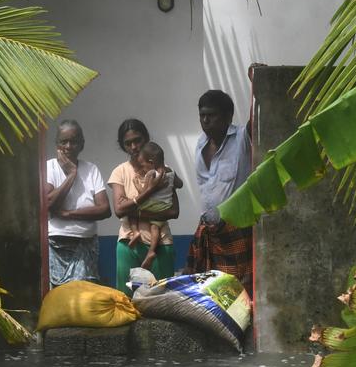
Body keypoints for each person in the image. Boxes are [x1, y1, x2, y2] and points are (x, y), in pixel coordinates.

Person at [185, 89, 254, 292]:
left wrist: (256, 85)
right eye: (202, 115)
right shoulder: (200, 143)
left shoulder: (243, 138)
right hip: (208, 230)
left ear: (227, 116)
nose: (205, 120)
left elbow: (257, 118)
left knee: (236, 291)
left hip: (235, 229)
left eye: (211, 115)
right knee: (208, 291)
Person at [108, 118, 181, 294]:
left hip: (161, 244)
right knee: (126, 299)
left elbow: (174, 211)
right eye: (128, 143)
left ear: (146, 138)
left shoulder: (163, 170)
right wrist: (151, 192)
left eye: (137, 140)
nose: (133, 147)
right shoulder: (120, 171)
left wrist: (135, 211)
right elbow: (118, 210)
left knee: (163, 299)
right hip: (128, 243)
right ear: (122, 145)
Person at [44, 120, 110, 288]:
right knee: (58, 297)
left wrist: (68, 214)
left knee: (83, 296)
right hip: (56, 243)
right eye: (63, 141)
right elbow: (48, 203)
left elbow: (104, 209)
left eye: (73, 141)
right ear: (56, 144)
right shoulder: (49, 167)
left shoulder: (91, 169)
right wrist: (71, 175)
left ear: (82, 144)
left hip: (86, 244)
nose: (68, 146)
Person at [128, 142, 176, 269]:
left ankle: (135, 232)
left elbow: (144, 193)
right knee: (155, 227)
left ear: (151, 162)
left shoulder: (151, 174)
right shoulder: (171, 171)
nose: (143, 169)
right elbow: (179, 184)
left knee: (131, 209)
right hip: (165, 206)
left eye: (143, 165)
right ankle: (151, 251)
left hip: (153, 205)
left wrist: (136, 182)